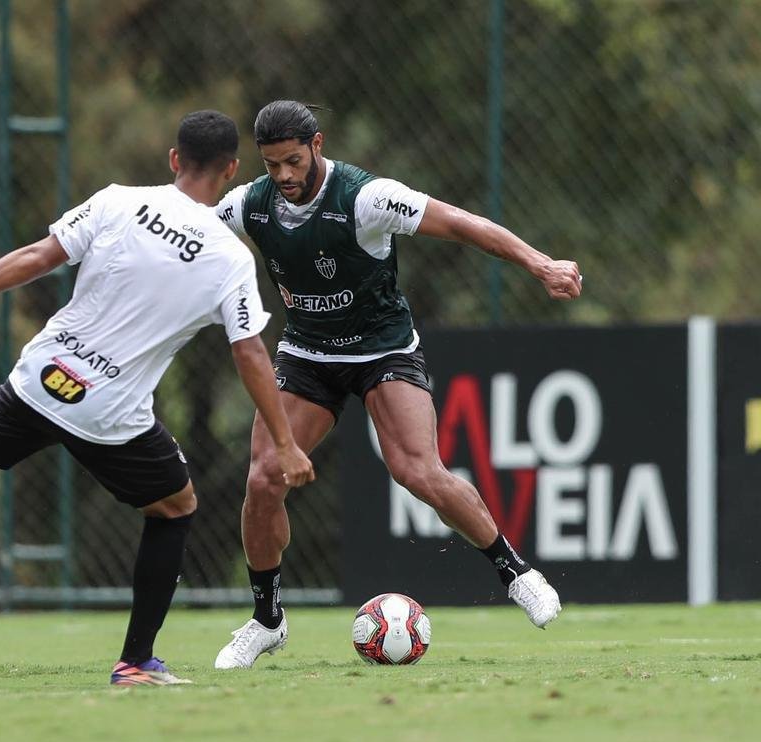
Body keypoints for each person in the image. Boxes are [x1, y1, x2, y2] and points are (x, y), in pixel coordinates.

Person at [0, 109, 316, 686]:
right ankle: (136, 661)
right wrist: (286, 442)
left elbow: (37, 258)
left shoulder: (118, 200)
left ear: (174, 160)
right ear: (231, 170)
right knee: (175, 509)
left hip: (41, 377)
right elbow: (249, 354)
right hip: (109, 411)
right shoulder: (230, 258)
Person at [212, 100, 583, 669]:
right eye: (271, 166)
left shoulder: (366, 197)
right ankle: (266, 621)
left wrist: (540, 264)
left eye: (292, 161)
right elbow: (185, 239)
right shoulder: (247, 206)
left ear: (317, 144)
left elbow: (464, 225)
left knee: (417, 471)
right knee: (264, 478)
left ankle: (516, 573)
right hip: (307, 355)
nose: (284, 177)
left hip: (383, 350)